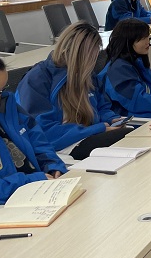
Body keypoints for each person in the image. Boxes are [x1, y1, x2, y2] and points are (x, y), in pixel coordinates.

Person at [16, 22, 131, 159]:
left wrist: (111, 119)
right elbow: (43, 130)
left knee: (130, 136)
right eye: (90, 57)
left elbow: (102, 107)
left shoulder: (86, 74)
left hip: (85, 135)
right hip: (61, 145)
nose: (93, 63)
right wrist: (97, 129)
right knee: (124, 139)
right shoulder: (37, 79)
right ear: (77, 53)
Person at [0, 53, 67, 215]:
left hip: (37, 189)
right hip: (2, 203)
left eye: (1, 91)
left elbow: (38, 141)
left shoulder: (6, 106)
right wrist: (28, 182)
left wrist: (52, 165)